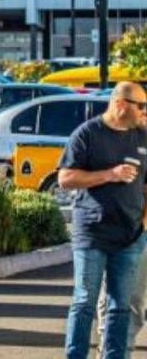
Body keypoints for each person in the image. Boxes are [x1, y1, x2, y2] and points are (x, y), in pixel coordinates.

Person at [58, 81, 147, 359]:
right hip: (92, 235)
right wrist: (110, 174)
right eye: (141, 106)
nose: (145, 111)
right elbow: (65, 178)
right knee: (84, 302)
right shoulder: (87, 134)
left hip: (130, 237)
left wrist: (143, 222)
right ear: (121, 104)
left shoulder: (143, 136)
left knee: (120, 306)